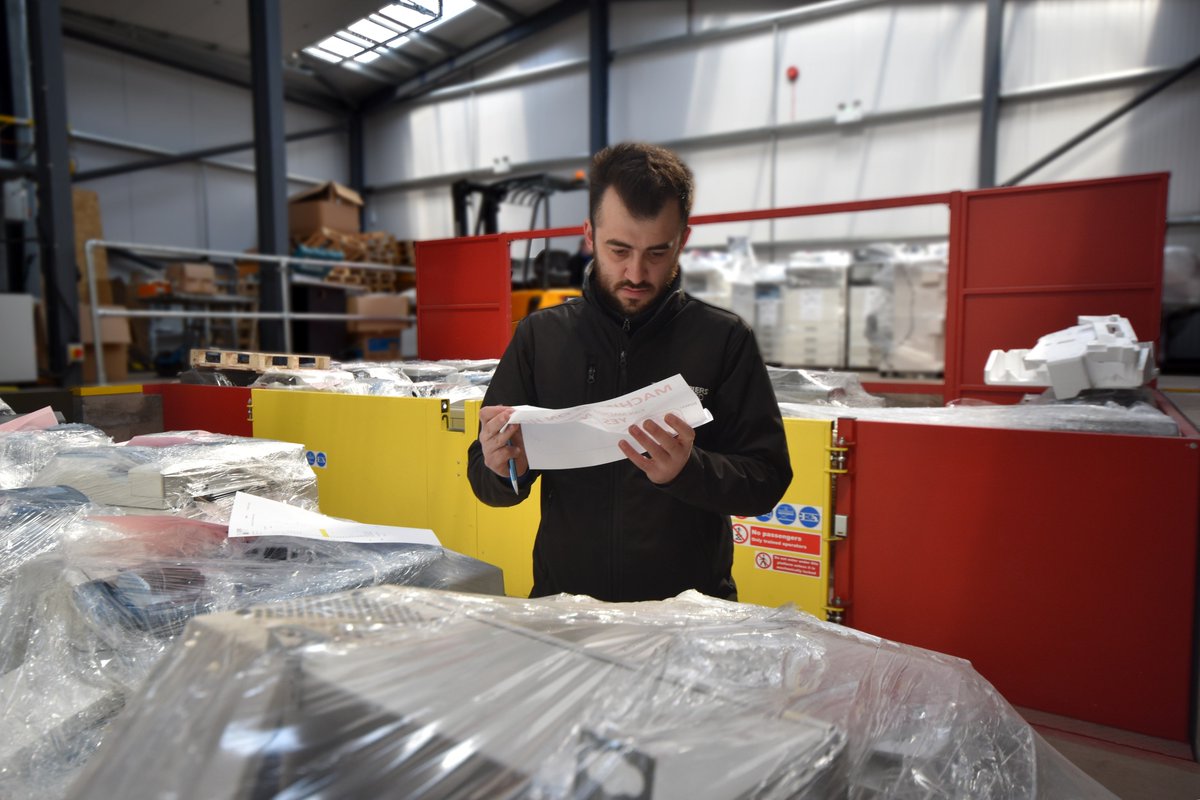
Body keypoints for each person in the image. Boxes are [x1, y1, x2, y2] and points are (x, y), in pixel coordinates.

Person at [467, 142, 792, 602]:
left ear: (683, 239)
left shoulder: (723, 340)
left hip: (688, 615)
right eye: (619, 249)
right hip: (567, 609)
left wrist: (689, 470)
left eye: (658, 253)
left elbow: (767, 480)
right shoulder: (541, 339)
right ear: (589, 234)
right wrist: (503, 468)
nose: (636, 272)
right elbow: (486, 480)